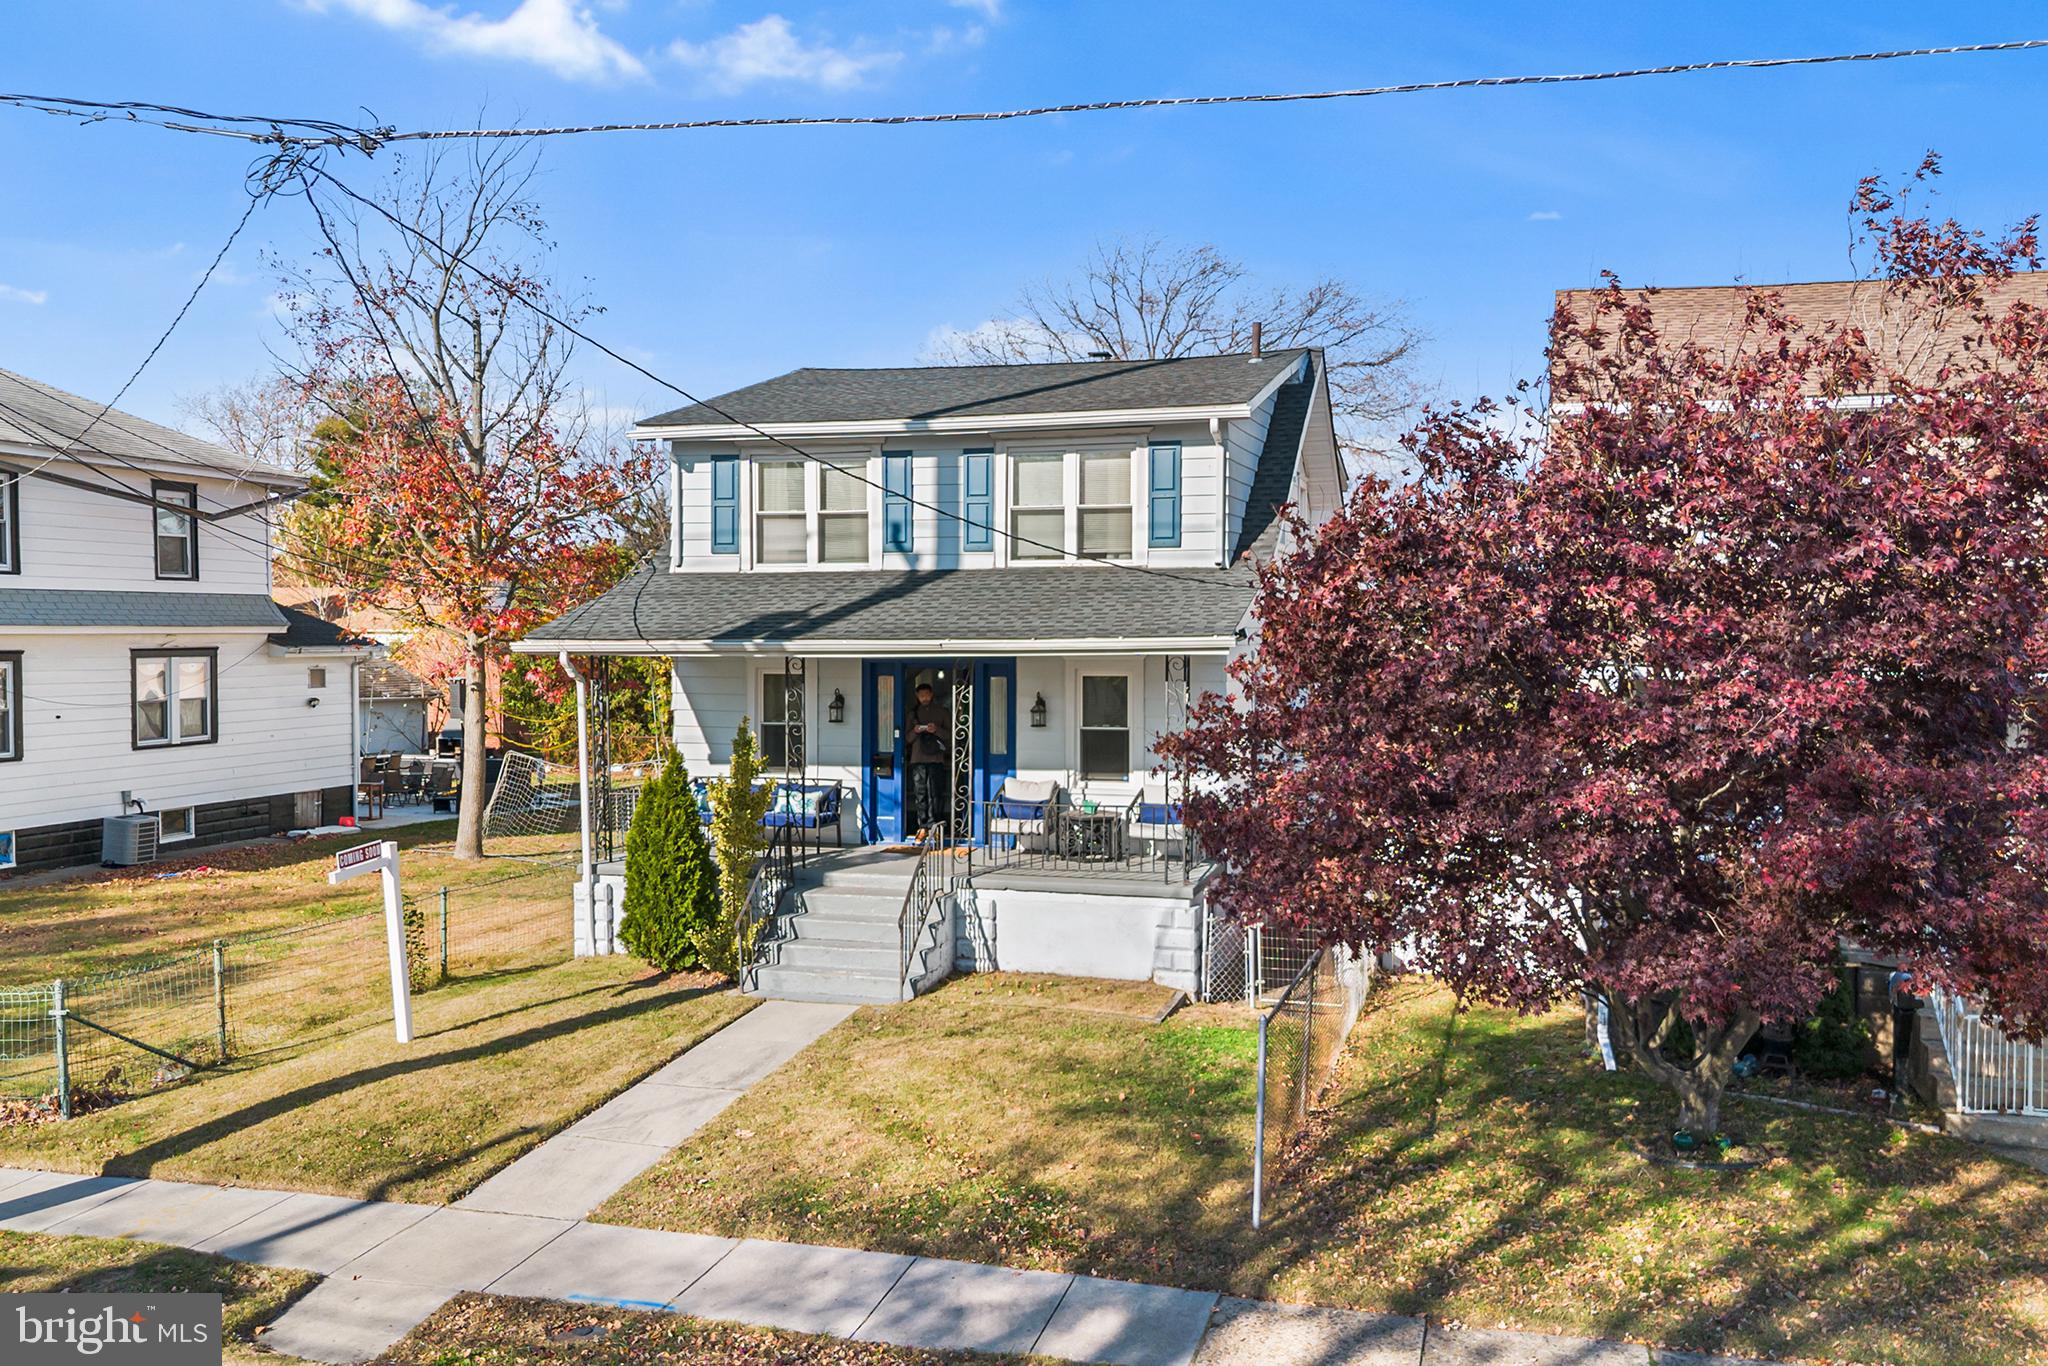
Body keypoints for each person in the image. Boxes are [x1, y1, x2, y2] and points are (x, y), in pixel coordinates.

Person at [905, 679, 951, 836]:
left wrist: (935, 730)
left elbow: (950, 735)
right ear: (917, 696)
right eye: (921, 695)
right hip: (917, 758)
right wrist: (916, 730)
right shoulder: (912, 713)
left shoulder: (942, 712)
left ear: (931, 695)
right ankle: (922, 826)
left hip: (936, 758)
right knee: (920, 793)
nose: (924, 698)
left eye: (926, 695)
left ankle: (935, 825)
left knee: (935, 793)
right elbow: (907, 738)